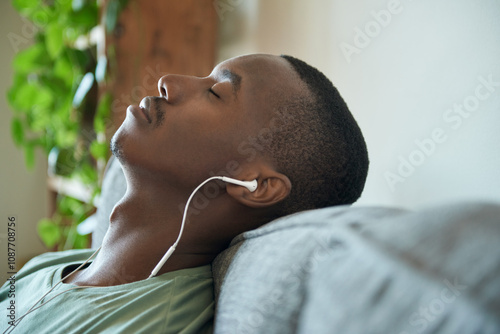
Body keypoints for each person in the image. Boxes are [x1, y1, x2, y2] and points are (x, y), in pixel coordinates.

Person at [0, 54, 369, 333]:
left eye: (215, 91)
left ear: (257, 187)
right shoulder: (44, 268)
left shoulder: (151, 322)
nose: (167, 81)